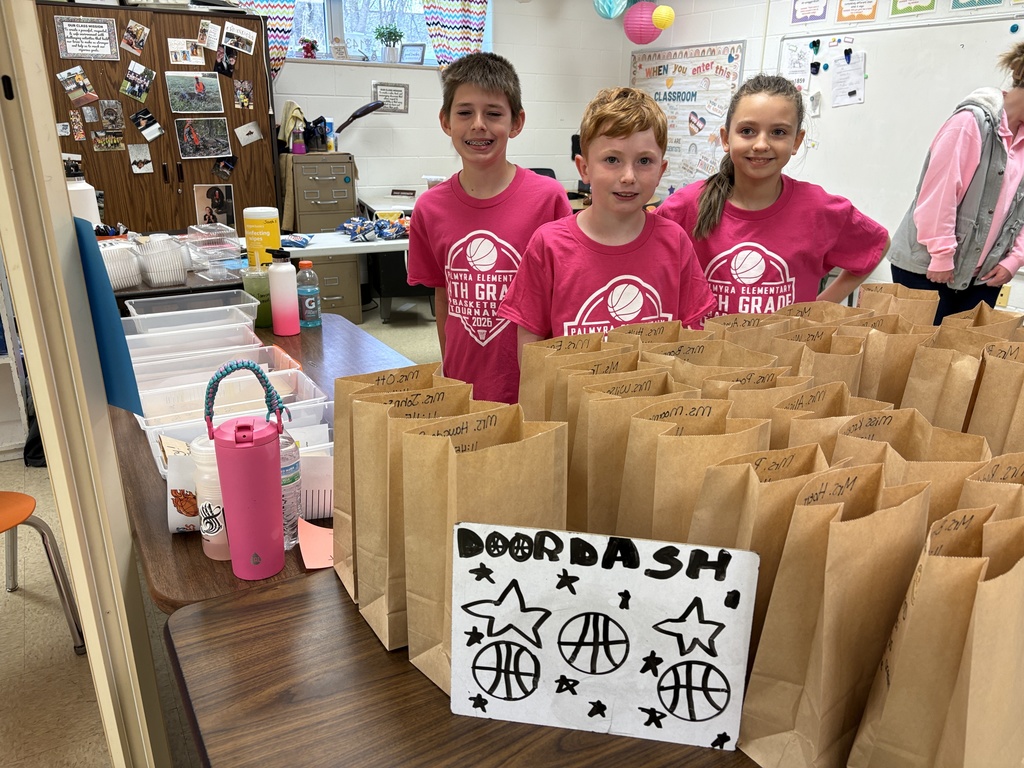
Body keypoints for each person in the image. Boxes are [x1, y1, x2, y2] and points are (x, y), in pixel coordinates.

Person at [406, 52, 571, 404]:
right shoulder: (429, 208)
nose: (478, 124)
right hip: (465, 382)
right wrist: (449, 373)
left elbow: (564, 298)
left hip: (531, 383)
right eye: (465, 112)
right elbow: (443, 296)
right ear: (445, 121)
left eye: (493, 113)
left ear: (516, 122)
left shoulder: (549, 198)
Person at [656, 74, 889, 317]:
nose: (761, 144)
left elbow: (877, 245)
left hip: (785, 352)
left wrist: (818, 310)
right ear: (726, 139)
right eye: (747, 131)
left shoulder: (818, 208)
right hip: (702, 353)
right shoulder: (685, 206)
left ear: (797, 141)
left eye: (778, 132)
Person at [498, 87, 715, 348]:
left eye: (644, 161)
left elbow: (691, 335)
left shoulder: (675, 242)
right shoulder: (549, 245)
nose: (628, 176)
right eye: (612, 159)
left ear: (661, 170)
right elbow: (529, 340)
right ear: (584, 168)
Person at [887, 43, 1024, 322]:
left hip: (983, 274)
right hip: (929, 267)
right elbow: (940, 195)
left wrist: (1015, 260)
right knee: (913, 356)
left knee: (961, 359)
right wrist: (941, 254)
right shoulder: (971, 122)